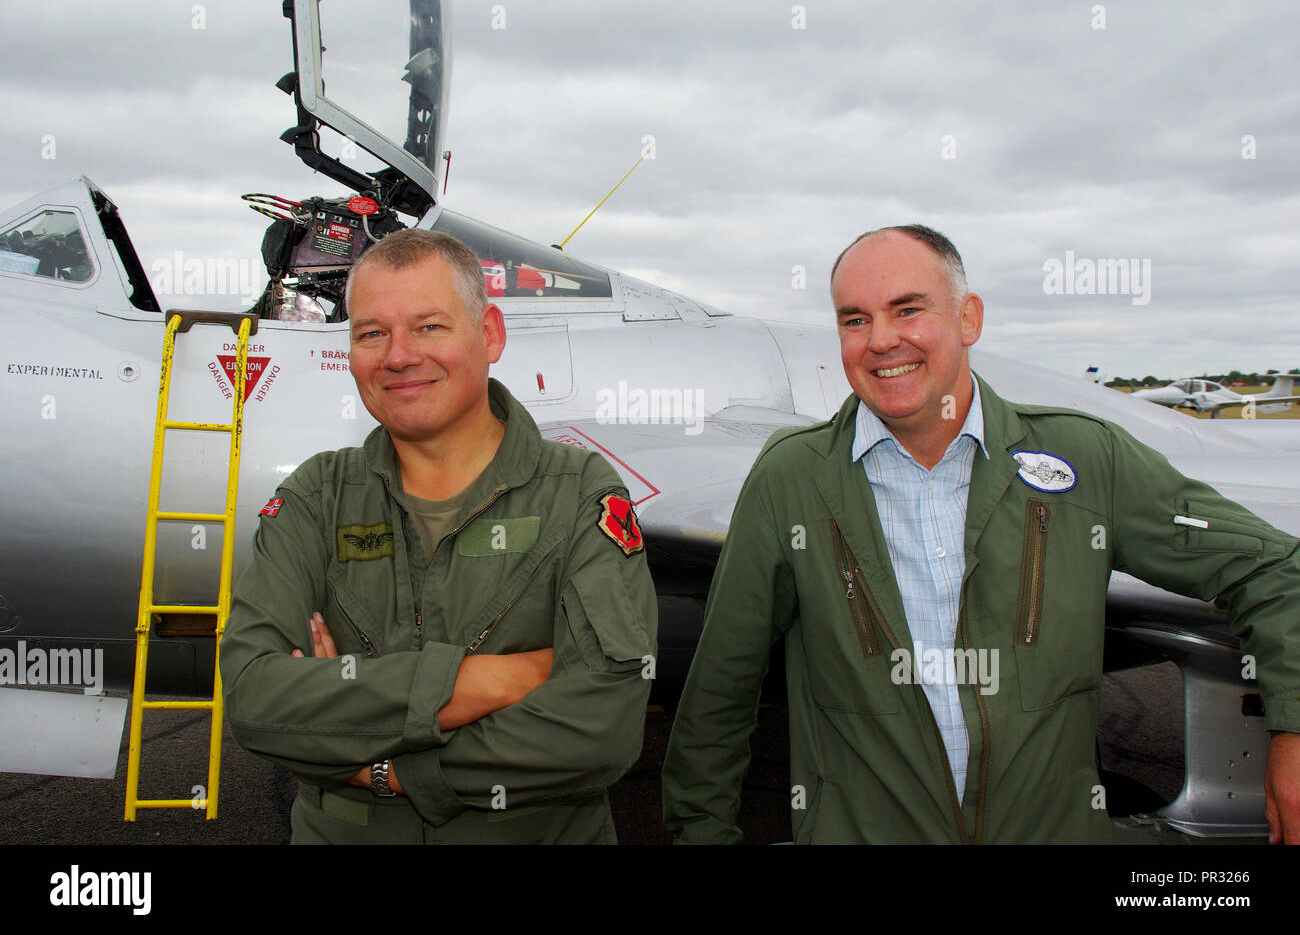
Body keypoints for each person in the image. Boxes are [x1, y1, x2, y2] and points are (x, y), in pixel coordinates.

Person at [661, 224, 1300, 843]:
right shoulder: (792, 476)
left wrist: (1292, 732)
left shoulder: (1084, 458)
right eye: (855, 319)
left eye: (907, 309)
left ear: (969, 319)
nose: (881, 340)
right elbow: (721, 688)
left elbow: (1272, 568)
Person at [220, 229, 657, 843]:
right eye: (372, 332)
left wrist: (387, 769)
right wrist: (490, 681)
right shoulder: (316, 498)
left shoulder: (578, 491)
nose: (397, 356)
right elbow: (255, 701)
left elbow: (602, 725)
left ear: (490, 334)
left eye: (429, 327)